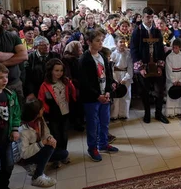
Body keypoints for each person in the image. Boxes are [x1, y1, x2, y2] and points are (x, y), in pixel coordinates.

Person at [79, 30, 118, 161]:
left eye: (101, 40)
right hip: (92, 98)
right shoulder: (85, 59)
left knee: (105, 122)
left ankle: (103, 143)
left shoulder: (102, 55)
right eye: (97, 40)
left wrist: (107, 92)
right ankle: (92, 148)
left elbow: (108, 75)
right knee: (93, 124)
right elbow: (84, 82)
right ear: (89, 42)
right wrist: (97, 96)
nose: (101, 43)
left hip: (104, 95)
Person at [130, 7, 169, 124]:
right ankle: (147, 114)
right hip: (144, 66)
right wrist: (140, 68)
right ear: (142, 17)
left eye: (152, 17)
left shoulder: (157, 31)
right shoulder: (138, 31)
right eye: (147, 17)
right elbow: (134, 50)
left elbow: (161, 50)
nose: (150, 19)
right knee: (145, 91)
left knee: (160, 91)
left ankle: (158, 113)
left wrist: (160, 66)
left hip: (156, 65)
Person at [19, 99, 68, 187]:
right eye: (41, 109)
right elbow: (24, 154)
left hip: (38, 149)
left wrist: (50, 138)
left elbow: (46, 132)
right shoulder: (22, 130)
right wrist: (42, 143)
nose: (44, 109)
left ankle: (37, 164)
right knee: (49, 149)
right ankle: (37, 176)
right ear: (36, 113)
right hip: (27, 157)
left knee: (64, 153)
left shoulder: (39, 119)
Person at [37, 58, 74, 168]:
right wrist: (45, 111)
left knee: (64, 134)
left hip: (65, 111)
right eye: (56, 70)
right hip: (53, 114)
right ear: (51, 71)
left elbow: (72, 93)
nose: (59, 73)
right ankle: (55, 157)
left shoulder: (65, 82)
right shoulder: (44, 85)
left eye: (61, 70)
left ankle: (63, 154)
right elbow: (41, 100)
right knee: (55, 134)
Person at [110, 35, 133, 120]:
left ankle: (123, 114)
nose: (122, 44)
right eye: (120, 42)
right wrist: (115, 79)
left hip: (125, 74)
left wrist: (126, 78)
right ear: (116, 43)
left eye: (124, 42)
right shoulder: (113, 54)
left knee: (126, 95)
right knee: (116, 95)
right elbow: (111, 67)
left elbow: (130, 67)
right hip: (116, 74)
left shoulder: (128, 54)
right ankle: (114, 114)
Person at [165, 39, 181, 118]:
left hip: (180, 76)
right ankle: (170, 112)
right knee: (171, 94)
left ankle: (179, 111)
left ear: (180, 48)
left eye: (176, 48)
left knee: (180, 95)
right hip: (172, 77)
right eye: (173, 48)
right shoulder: (169, 57)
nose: (175, 49)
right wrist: (173, 80)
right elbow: (168, 69)